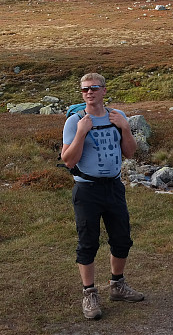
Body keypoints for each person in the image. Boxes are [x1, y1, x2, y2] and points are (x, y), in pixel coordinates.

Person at [61, 72, 144, 320]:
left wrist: (126, 128)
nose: (89, 93)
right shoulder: (75, 121)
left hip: (114, 187)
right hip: (87, 189)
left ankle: (117, 285)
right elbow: (68, 161)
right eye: (84, 89)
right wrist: (81, 133)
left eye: (94, 88)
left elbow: (129, 153)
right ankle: (89, 293)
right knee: (88, 241)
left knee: (122, 238)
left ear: (104, 90)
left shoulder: (118, 117)